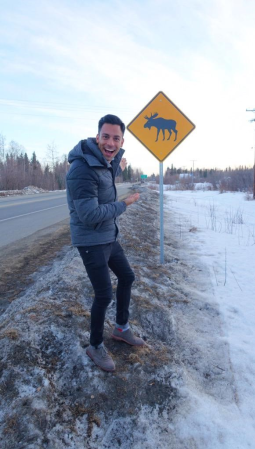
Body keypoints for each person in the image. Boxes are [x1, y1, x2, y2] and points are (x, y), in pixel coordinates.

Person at [66, 114, 146, 372]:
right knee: (103, 296)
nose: (111, 143)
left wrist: (118, 167)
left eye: (116, 138)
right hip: (91, 240)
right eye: (106, 137)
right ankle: (95, 345)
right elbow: (88, 215)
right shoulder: (81, 169)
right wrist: (124, 204)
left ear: (122, 140)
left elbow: (105, 174)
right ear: (97, 136)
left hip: (108, 236)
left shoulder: (104, 162)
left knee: (127, 276)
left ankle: (121, 328)